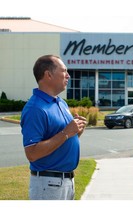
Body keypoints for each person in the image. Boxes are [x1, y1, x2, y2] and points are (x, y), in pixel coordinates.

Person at [21, 55, 87, 200]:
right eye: (64, 71)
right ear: (48, 74)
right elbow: (32, 153)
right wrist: (66, 133)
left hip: (67, 182)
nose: (68, 75)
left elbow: (64, 137)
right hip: (48, 184)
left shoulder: (61, 102)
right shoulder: (35, 108)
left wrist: (75, 132)